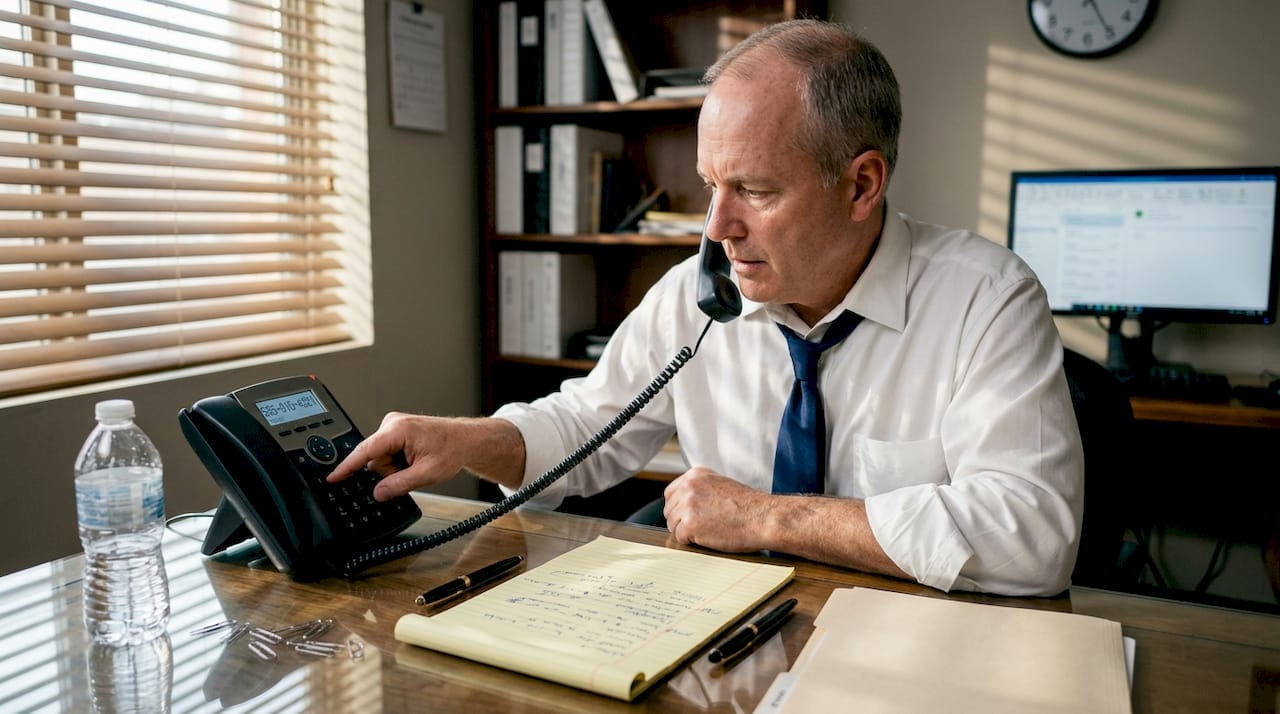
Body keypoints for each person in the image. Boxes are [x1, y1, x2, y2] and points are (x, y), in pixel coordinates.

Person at [330, 19, 1084, 597]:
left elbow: (1034, 537)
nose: (716, 228)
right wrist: (466, 440)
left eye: (754, 190)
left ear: (861, 185)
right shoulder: (701, 293)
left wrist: (767, 516)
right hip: (726, 621)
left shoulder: (986, 299)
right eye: (709, 186)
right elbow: (592, 423)